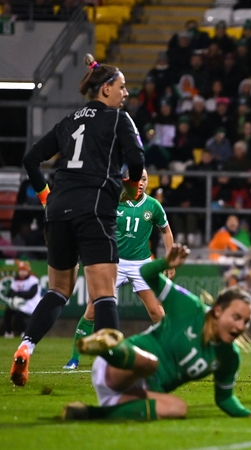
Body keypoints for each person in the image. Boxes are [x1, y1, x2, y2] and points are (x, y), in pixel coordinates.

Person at [13, 54, 144, 387]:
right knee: (104, 295)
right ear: (105, 89)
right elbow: (138, 159)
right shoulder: (118, 119)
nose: (125, 93)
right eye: (121, 86)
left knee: (58, 290)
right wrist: (129, 187)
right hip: (95, 208)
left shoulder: (69, 120)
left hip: (57, 211)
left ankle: (26, 347)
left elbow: (30, 159)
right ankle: (112, 369)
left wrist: (45, 196)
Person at [61, 244, 251, 421]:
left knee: (178, 408)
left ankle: (89, 413)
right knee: (151, 364)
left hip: (140, 391)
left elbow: (225, 398)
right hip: (121, 368)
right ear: (218, 311)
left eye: (246, 322)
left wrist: (250, 414)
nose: (240, 327)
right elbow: (146, 273)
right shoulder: (190, 308)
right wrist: (164, 263)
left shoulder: (229, 356)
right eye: (236, 317)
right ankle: (109, 347)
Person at [63, 169, 175, 370]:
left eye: (144, 179)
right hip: (114, 262)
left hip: (142, 264)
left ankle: (170, 354)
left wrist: (169, 259)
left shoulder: (153, 205)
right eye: (136, 179)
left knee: (156, 311)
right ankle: (74, 358)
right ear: (126, 181)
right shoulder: (113, 200)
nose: (140, 183)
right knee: (92, 310)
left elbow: (166, 230)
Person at [1, 261, 42, 338]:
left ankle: (25, 332)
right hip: (20, 303)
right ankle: (9, 332)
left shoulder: (33, 280)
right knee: (8, 311)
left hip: (31, 304)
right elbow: (10, 292)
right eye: (20, 270)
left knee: (19, 313)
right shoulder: (16, 280)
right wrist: (14, 294)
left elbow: (31, 294)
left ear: (28, 271)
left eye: (24, 270)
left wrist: (18, 294)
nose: (22, 272)